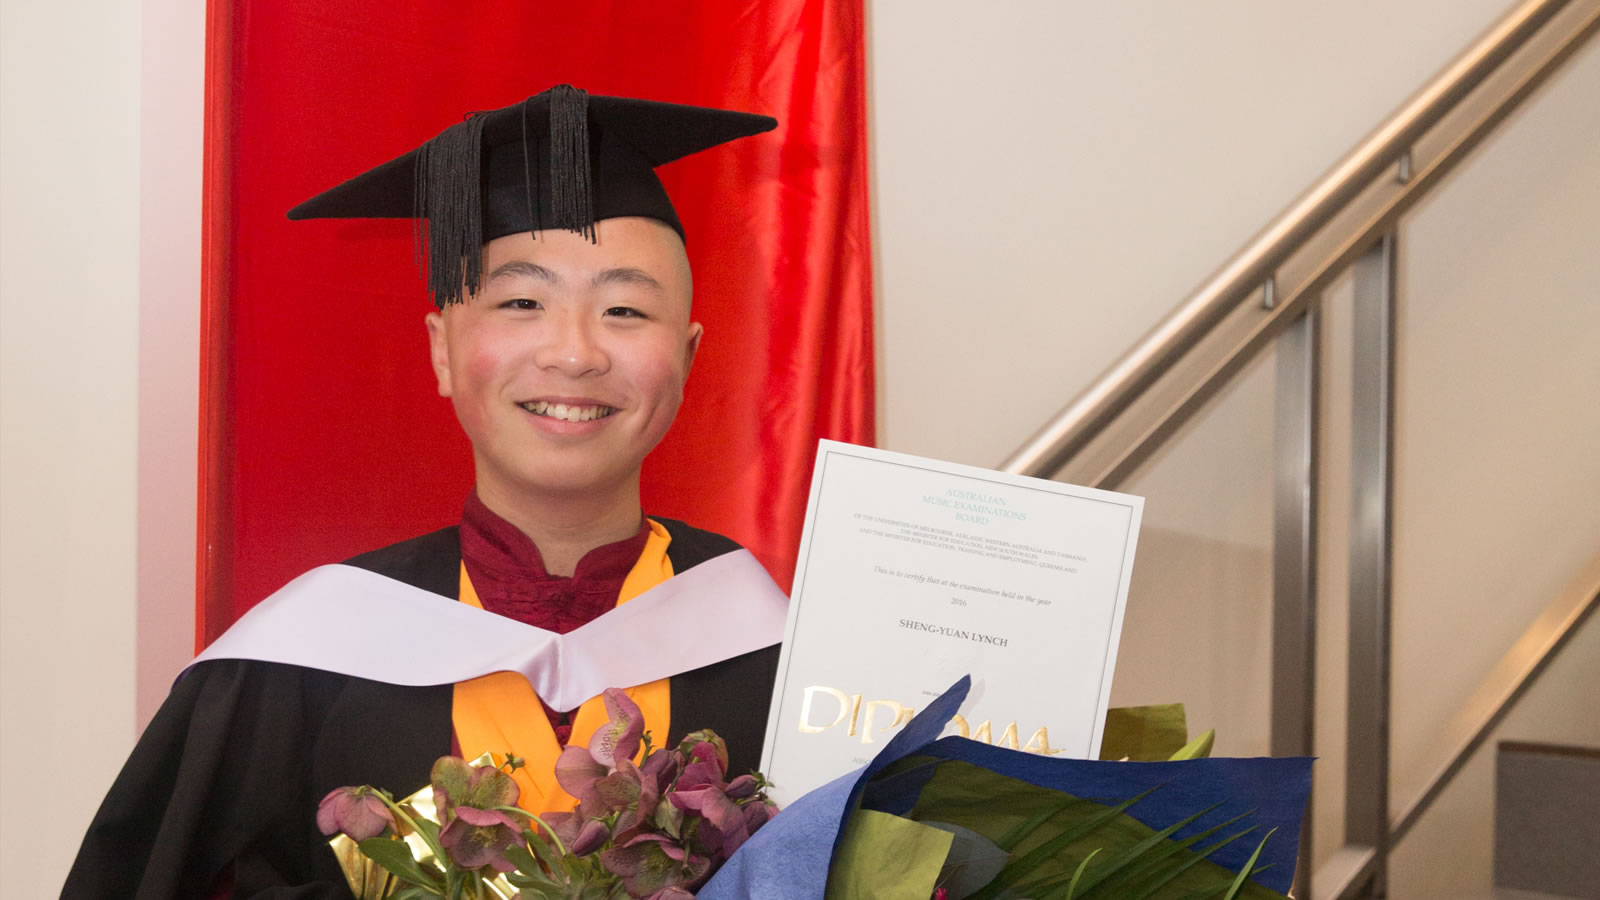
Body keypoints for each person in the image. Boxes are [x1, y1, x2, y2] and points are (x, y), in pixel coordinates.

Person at [62, 85, 784, 899]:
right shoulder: (300, 661)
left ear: (686, 357)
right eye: (522, 302)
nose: (574, 354)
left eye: (624, 308)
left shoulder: (783, 654)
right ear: (442, 349)